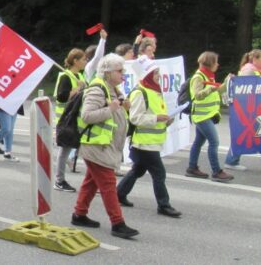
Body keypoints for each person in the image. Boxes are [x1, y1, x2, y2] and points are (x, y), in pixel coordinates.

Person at [70, 53, 139, 239]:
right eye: (119, 71)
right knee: (108, 184)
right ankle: (118, 223)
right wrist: (112, 109)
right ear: (107, 72)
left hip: (103, 145)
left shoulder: (112, 88)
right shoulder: (97, 89)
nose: (122, 74)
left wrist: (123, 106)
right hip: (96, 145)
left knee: (91, 182)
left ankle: (79, 214)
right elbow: (87, 116)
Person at [116, 58, 182, 218]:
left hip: (150, 143)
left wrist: (166, 120)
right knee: (159, 173)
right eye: (156, 73)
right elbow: (135, 118)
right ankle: (163, 205)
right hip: (144, 143)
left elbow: (154, 116)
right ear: (148, 75)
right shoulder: (140, 92)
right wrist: (157, 119)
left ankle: (118, 194)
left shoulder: (154, 92)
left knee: (137, 170)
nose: (159, 76)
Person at [225, 49, 261, 172]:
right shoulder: (249, 72)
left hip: (255, 110)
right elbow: (249, 92)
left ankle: (231, 160)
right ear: (255, 59)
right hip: (253, 110)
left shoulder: (255, 71)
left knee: (252, 135)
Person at [185, 51, 234, 182]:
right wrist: (210, 89)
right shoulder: (199, 77)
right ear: (210, 63)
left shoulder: (208, 76)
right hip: (202, 116)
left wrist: (226, 82)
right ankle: (216, 171)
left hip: (205, 115)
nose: (218, 64)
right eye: (216, 62)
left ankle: (192, 168)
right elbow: (197, 95)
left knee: (198, 142)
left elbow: (217, 90)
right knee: (214, 142)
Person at [54, 48, 87, 192]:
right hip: (66, 119)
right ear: (75, 61)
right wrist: (77, 90)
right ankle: (59, 180)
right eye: (84, 59)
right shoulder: (66, 77)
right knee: (64, 151)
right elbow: (61, 96)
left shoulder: (80, 75)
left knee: (78, 150)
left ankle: (93, 181)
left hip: (77, 119)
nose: (86, 62)